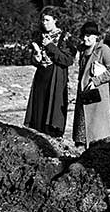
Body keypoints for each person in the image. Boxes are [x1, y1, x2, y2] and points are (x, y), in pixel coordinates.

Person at [24, 8, 76, 137]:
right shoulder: (41, 36)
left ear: (55, 20)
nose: (44, 23)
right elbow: (37, 60)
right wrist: (35, 57)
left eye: (47, 20)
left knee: (53, 106)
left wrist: (50, 46)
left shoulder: (64, 37)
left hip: (56, 76)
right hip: (42, 75)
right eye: (43, 20)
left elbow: (68, 60)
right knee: (39, 106)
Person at [72, 21, 110, 148]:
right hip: (84, 94)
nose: (85, 38)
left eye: (89, 35)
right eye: (84, 35)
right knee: (82, 132)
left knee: (97, 133)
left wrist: (96, 81)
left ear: (96, 36)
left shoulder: (103, 49)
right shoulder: (81, 50)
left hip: (97, 96)